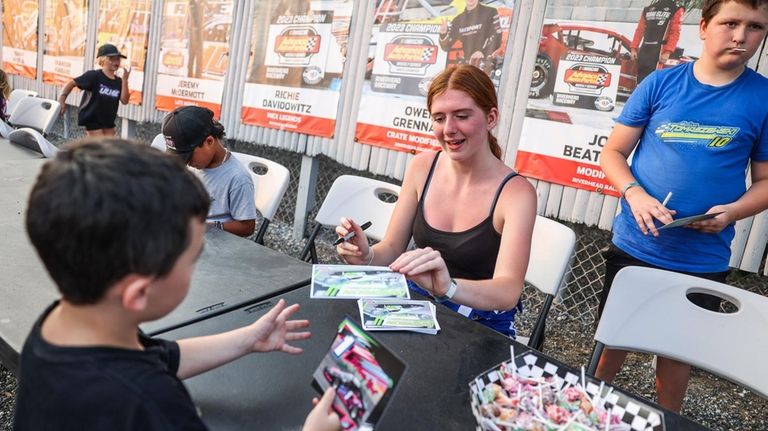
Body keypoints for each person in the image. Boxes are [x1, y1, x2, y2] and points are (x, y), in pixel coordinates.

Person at [12, 138, 340, 431]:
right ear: (139, 292)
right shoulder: (152, 403)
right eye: (193, 257)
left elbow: (159, 356)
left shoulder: (62, 327)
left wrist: (248, 339)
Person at [597, 0, 768, 412]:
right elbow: (614, 153)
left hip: (701, 257)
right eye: (730, 23)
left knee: (676, 356)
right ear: (704, 27)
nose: (741, 36)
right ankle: (588, 409)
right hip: (636, 248)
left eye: (756, 27)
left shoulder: (763, 98)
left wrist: (733, 213)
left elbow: (765, 183)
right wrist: (634, 194)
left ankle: (668, 421)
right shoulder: (660, 84)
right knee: (610, 345)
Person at [335, 65, 537, 338]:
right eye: (439, 118)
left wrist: (448, 288)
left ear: (491, 118)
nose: (449, 129)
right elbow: (393, 248)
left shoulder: (516, 193)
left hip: (480, 323)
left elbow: (508, 291)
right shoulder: (422, 166)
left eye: (462, 116)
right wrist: (366, 254)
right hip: (419, 305)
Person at [163, 106, 257, 237]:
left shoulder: (238, 178)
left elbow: (247, 228)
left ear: (209, 142)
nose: (188, 163)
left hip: (217, 243)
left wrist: (210, 226)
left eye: (189, 157)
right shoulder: (194, 167)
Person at [58, 43, 131, 136]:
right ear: (103, 59)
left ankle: (84, 149)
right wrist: (62, 99)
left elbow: (124, 101)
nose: (116, 62)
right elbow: (71, 83)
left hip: (108, 121)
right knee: (101, 146)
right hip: (92, 118)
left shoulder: (118, 81)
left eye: (118, 59)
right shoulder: (94, 75)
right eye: (112, 59)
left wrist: (125, 80)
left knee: (107, 148)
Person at [630, 0, 684, 84]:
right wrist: (633, 48)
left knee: (654, 81)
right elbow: (639, 30)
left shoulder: (676, 9)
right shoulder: (647, 9)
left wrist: (667, 52)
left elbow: (675, 32)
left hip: (659, 52)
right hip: (644, 51)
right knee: (640, 82)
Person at [438, 0, 502, 69]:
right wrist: (443, 34)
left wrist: (483, 52)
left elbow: (497, 36)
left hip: (487, 65)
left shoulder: (491, 12)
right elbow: (446, 47)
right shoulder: (457, 20)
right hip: (467, 68)